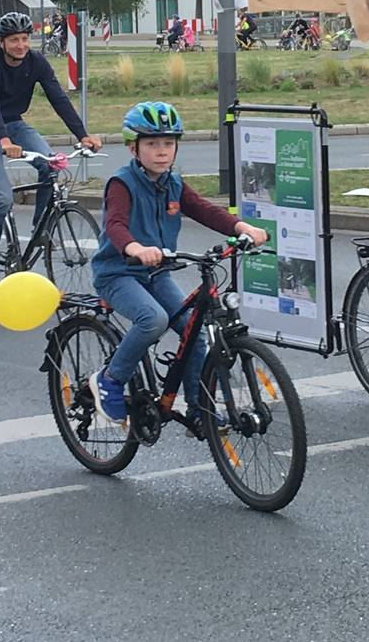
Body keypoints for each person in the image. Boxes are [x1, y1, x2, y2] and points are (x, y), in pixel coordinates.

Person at [87, 102, 269, 420]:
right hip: (118, 273)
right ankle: (110, 380)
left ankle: (199, 406)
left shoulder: (173, 182)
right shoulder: (122, 184)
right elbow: (115, 225)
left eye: (168, 143)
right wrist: (133, 248)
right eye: (152, 144)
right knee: (153, 319)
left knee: (194, 328)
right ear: (133, 147)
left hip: (156, 274)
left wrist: (243, 227)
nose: (161, 152)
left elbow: (203, 209)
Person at [0, 12, 100, 289]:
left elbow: (57, 97)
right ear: (2, 42)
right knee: (2, 198)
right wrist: (2, 140)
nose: (21, 45)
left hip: (14, 125)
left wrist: (82, 135)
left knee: (51, 166)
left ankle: (41, 230)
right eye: (14, 40)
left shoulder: (36, 61)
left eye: (25, 39)